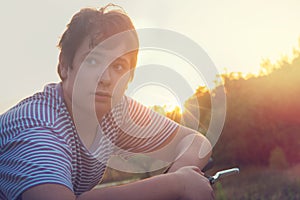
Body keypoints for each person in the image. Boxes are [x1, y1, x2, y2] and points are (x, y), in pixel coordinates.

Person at [0, 4, 214, 200]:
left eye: (119, 66)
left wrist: (183, 176)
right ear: (65, 66)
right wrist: (176, 185)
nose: (106, 78)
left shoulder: (116, 111)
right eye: (93, 61)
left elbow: (194, 142)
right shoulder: (36, 127)